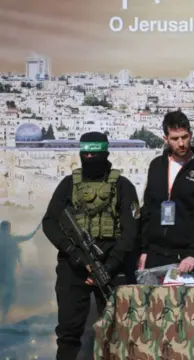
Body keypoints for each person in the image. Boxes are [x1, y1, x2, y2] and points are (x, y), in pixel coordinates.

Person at [41, 132, 139, 360]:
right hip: (73, 266)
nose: (89, 157)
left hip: (112, 266)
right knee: (68, 333)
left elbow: (131, 231)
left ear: (106, 153)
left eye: (95, 154)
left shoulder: (123, 187)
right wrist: (75, 254)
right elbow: (50, 223)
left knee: (119, 331)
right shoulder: (68, 185)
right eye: (85, 154)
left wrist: (109, 266)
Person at [138, 111, 194, 274]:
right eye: (175, 139)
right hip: (155, 254)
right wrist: (143, 249)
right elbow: (147, 209)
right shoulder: (156, 165)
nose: (181, 143)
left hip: (186, 257)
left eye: (184, 137)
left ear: (191, 135)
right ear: (165, 139)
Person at [0, 221, 39, 324]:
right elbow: (28, 237)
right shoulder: (12, 239)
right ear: (8, 228)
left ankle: (4, 314)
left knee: (8, 292)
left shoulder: (12, 239)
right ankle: (4, 314)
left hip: (7, 271)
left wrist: (36, 230)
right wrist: (36, 230)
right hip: (8, 272)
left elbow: (28, 237)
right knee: (9, 292)